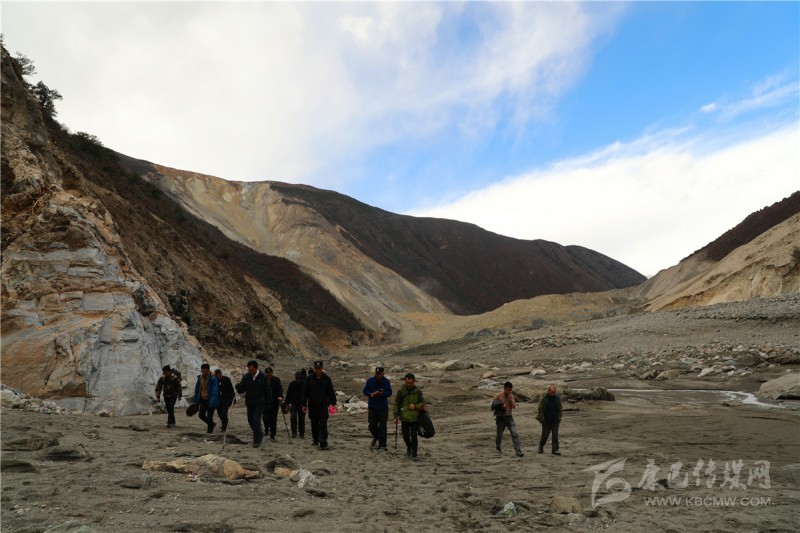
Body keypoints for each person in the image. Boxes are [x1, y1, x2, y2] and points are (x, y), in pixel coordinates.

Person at [235, 360, 271, 447]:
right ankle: (259, 433)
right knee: (250, 420)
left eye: (252, 370)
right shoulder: (246, 377)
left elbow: (267, 390)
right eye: (249, 370)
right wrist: (238, 387)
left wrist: (268, 403)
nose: (250, 372)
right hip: (250, 402)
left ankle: (257, 440)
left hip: (259, 402)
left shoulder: (263, 377)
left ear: (256, 368)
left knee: (256, 420)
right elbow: (242, 388)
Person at [301, 360, 336, 450]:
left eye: (319, 368)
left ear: (322, 368)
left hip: (323, 405)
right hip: (312, 405)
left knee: (323, 423)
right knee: (314, 423)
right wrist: (304, 404)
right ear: (314, 368)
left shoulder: (326, 379)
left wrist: (333, 403)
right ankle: (316, 439)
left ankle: (323, 442)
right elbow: (304, 392)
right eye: (316, 368)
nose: (318, 370)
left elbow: (331, 392)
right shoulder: (309, 379)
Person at [394, 373, 425, 461]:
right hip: (404, 418)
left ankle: (414, 454)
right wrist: (395, 416)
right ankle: (409, 446)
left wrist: (415, 406)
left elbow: (423, 403)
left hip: (415, 417)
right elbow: (396, 404)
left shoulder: (418, 391)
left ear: (414, 382)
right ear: (405, 381)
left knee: (414, 436)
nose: (409, 384)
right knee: (405, 436)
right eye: (407, 383)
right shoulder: (401, 392)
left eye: (411, 383)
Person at [363, 366, 392, 451]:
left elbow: (389, 392)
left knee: (383, 427)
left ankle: (383, 445)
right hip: (372, 407)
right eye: (377, 374)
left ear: (383, 373)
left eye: (380, 374)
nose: (378, 375)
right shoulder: (370, 381)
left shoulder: (386, 382)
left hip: (383, 408)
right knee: (372, 426)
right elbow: (365, 391)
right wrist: (371, 394)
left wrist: (382, 394)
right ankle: (377, 437)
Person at [492, 381, 524, 457]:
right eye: (507, 390)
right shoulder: (499, 395)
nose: (508, 392)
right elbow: (492, 404)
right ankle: (498, 448)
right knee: (499, 434)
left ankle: (518, 451)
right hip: (500, 418)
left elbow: (514, 407)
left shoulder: (511, 396)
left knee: (514, 434)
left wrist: (512, 401)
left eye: (510, 390)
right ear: (504, 389)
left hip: (509, 417)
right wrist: (500, 405)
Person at [193, 363, 219, 433]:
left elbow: (215, 390)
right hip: (203, 400)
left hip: (211, 400)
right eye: (202, 371)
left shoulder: (213, 378)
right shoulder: (200, 378)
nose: (203, 373)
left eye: (204, 371)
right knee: (201, 415)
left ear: (208, 370)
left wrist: (213, 401)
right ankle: (212, 424)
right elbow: (197, 389)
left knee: (210, 416)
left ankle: (209, 432)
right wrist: (195, 398)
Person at [536, 384, 562, 455]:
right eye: (552, 392)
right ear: (548, 391)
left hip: (555, 421)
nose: (553, 394)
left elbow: (560, 409)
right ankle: (541, 446)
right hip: (546, 421)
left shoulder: (557, 399)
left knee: (555, 436)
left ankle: (555, 450)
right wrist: (542, 419)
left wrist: (559, 418)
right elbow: (540, 409)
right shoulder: (544, 399)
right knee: (545, 435)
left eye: (554, 392)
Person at [262, 367, 284, 442]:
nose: (269, 374)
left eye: (270, 373)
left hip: (274, 402)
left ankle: (272, 434)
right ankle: (266, 429)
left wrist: (280, 396)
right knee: (265, 417)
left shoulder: (276, 380)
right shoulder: (263, 380)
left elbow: (280, 389)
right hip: (265, 402)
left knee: (273, 418)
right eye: (267, 373)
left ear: (272, 372)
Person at [284, 369, 307, 438]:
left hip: (302, 404)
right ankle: (294, 432)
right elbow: (288, 394)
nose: (299, 379)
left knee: (301, 419)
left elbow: (307, 395)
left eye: (300, 378)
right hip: (294, 404)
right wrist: (287, 404)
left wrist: (305, 404)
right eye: (298, 378)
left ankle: (301, 433)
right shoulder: (292, 384)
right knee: (293, 417)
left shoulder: (305, 384)